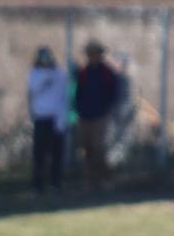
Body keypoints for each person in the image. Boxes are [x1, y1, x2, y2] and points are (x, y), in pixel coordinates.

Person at [72, 41, 118, 190]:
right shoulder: (84, 72)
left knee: (99, 147)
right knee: (87, 148)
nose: (92, 57)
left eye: (95, 54)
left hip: (101, 116)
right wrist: (79, 110)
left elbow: (113, 93)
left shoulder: (107, 72)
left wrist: (106, 109)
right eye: (90, 54)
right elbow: (77, 92)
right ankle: (91, 180)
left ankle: (106, 178)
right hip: (85, 116)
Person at [27, 46, 68, 193]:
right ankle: (37, 185)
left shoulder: (59, 74)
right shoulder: (34, 74)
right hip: (41, 118)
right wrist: (31, 113)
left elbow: (63, 96)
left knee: (56, 154)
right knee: (39, 154)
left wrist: (62, 118)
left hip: (56, 117)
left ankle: (55, 183)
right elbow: (32, 93)